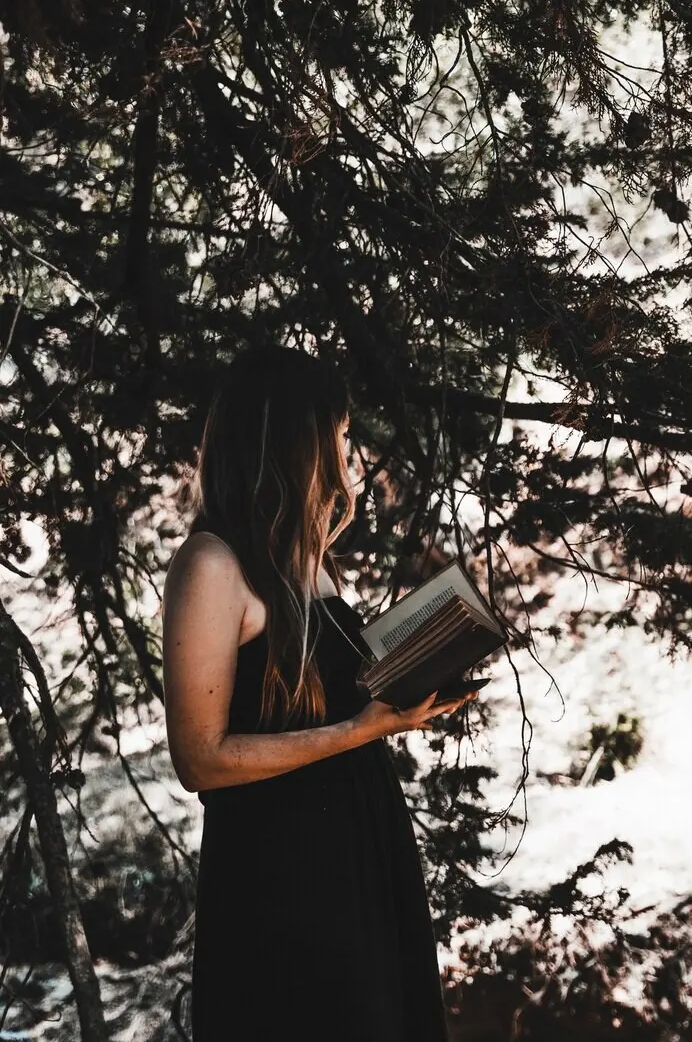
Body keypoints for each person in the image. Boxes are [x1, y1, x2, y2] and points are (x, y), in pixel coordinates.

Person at [160, 345, 467, 1041]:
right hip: (282, 868)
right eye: (342, 430)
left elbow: (323, 699)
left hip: (358, 841)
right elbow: (199, 759)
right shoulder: (212, 563)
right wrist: (361, 730)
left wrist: (411, 681)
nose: (348, 447)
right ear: (301, 438)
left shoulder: (306, 561)